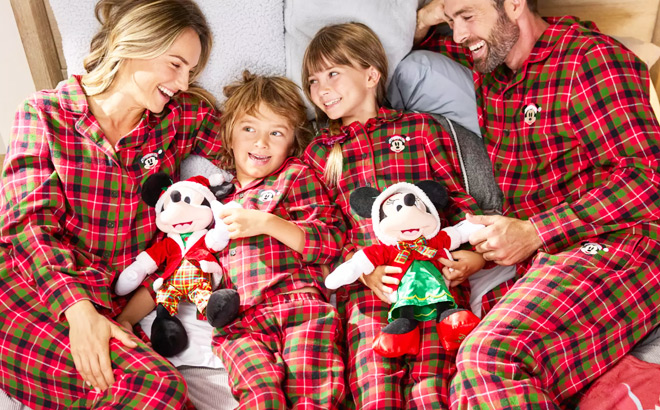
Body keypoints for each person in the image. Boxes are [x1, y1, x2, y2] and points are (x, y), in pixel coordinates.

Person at [405, 0, 660, 408]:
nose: (457, 35)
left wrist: (536, 231)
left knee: (487, 361)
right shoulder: (493, 61)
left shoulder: (589, 60)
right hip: (547, 258)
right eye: (451, 21)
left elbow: (650, 179)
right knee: (441, 381)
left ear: (514, 4)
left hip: (622, 245)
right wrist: (429, 17)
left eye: (467, 16)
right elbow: (413, 49)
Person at [0, 0, 223, 408]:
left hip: (111, 301)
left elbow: (253, 147)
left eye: (190, 71)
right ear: (132, 44)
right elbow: (27, 225)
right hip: (28, 289)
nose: (184, 83)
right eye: (175, 65)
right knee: (159, 390)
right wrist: (78, 311)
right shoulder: (45, 114)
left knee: (165, 393)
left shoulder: (177, 119)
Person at [301, 22, 511, 409]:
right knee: (375, 388)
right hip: (373, 292)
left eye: (332, 73)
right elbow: (327, 233)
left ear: (370, 73)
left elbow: (460, 205)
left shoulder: (419, 129)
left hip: (438, 284)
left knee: (432, 389)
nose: (321, 88)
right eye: (312, 80)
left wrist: (477, 257)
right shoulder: (319, 154)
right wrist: (365, 271)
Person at [205, 71, 346, 409]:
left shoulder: (294, 176)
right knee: (261, 397)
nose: (261, 143)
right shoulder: (211, 202)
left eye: (276, 133)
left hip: (301, 307)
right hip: (242, 323)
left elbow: (330, 239)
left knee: (314, 395)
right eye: (249, 128)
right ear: (229, 135)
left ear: (291, 144)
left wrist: (267, 222)